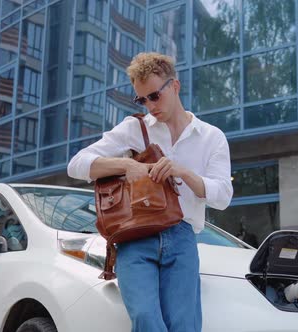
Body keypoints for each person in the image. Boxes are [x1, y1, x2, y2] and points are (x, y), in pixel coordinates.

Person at [67, 52, 233, 332]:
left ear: (175, 86)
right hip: (136, 236)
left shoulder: (210, 136)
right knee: (145, 317)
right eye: (141, 100)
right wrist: (126, 164)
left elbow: (223, 196)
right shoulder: (135, 127)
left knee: (183, 325)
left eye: (154, 96)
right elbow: (77, 165)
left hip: (182, 238)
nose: (149, 106)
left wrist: (183, 172)